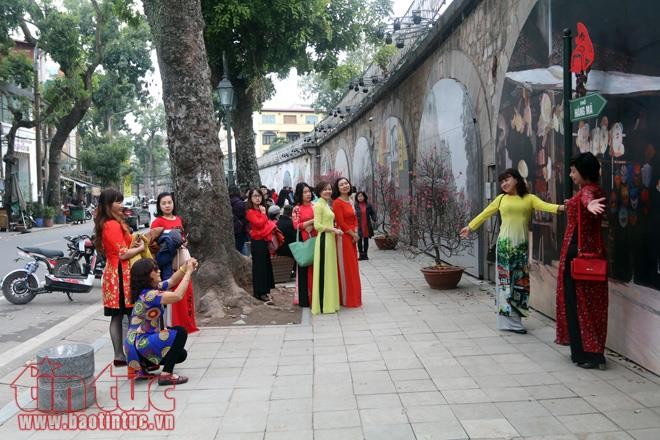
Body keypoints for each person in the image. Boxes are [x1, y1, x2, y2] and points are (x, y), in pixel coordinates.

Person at [460, 168, 565, 334]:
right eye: (502, 182)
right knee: (504, 284)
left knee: (520, 283)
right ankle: (505, 322)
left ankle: (516, 321)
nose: (504, 184)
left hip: (520, 248)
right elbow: (485, 214)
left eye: (507, 179)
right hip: (504, 247)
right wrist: (470, 227)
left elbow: (547, 207)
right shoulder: (501, 199)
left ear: (516, 179)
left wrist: (565, 207)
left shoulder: (529, 198)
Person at [555, 152, 607, 369]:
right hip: (584, 252)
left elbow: (588, 199)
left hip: (580, 255)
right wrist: (574, 203)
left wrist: (586, 205)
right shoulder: (589, 189)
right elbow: (583, 200)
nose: (570, 174)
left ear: (584, 172)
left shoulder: (588, 191)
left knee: (581, 304)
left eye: (573, 171)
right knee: (585, 304)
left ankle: (590, 355)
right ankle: (588, 353)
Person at [124, 257, 198, 385]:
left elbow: (172, 281)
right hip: (140, 345)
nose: (159, 271)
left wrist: (185, 266)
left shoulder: (148, 290)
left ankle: (145, 366)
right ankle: (166, 375)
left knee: (181, 354)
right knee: (180, 332)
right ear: (147, 276)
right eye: (155, 269)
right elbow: (177, 296)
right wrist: (188, 273)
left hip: (135, 348)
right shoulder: (150, 295)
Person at [94, 189, 146, 367]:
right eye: (117, 202)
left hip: (113, 273)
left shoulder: (108, 223)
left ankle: (120, 354)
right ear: (108, 204)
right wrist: (140, 249)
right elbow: (123, 254)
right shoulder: (112, 224)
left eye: (121, 201)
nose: (121, 204)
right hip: (120, 275)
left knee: (117, 316)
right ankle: (129, 353)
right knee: (128, 315)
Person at [150, 192, 199, 334]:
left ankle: (182, 322)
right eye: (163, 203)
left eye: (169, 202)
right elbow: (152, 244)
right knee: (168, 292)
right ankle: (166, 325)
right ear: (159, 205)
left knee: (182, 292)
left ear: (173, 203)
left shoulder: (178, 219)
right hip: (166, 263)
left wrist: (183, 241)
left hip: (180, 262)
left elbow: (181, 237)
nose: (167, 205)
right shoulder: (157, 222)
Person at [312, 181, 342, 314]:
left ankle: (331, 303)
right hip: (324, 239)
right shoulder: (318, 205)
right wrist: (334, 230)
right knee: (324, 270)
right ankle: (323, 305)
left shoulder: (325, 204)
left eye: (329, 189)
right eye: (325, 189)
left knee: (330, 270)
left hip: (329, 239)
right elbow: (317, 226)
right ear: (319, 191)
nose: (328, 191)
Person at [332, 178, 362, 308]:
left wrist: (356, 233)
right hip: (343, 237)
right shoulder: (337, 203)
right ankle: (346, 298)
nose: (345, 186)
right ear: (337, 188)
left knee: (354, 267)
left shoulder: (350, 200)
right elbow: (340, 222)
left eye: (346, 183)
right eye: (341, 184)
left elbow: (355, 218)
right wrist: (353, 234)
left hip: (353, 237)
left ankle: (355, 297)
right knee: (346, 268)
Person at [245, 189, 276, 301]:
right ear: (251, 199)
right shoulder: (250, 212)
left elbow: (265, 223)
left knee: (266, 265)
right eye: (255, 196)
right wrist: (263, 215)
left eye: (259, 196)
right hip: (257, 241)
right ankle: (259, 292)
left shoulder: (263, 209)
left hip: (265, 240)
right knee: (259, 267)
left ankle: (266, 290)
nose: (258, 198)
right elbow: (258, 224)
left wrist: (263, 214)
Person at [292, 182, 316, 307]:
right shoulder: (297, 209)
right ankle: (304, 300)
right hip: (304, 241)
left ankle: (316, 298)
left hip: (317, 240)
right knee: (304, 270)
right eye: (304, 192)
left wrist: (311, 225)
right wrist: (311, 222)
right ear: (299, 195)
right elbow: (296, 225)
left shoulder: (316, 206)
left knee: (316, 269)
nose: (308, 194)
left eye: (309, 191)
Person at [354, 191, 376, 261]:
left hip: (366, 225)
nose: (360, 198)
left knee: (366, 240)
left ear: (364, 197)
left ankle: (365, 255)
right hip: (359, 225)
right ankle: (361, 255)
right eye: (359, 196)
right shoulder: (355, 205)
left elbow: (372, 213)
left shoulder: (368, 205)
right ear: (357, 198)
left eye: (361, 196)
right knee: (359, 240)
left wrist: (374, 218)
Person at [229, 185, 249, 255]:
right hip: (240, 231)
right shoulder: (241, 204)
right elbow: (247, 217)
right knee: (242, 250)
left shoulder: (226, 203)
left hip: (231, 230)